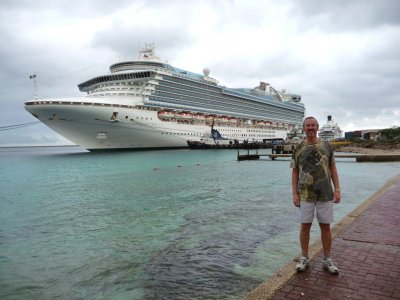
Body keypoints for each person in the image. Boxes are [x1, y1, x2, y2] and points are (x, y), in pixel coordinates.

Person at [290, 116, 341, 274]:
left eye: (313, 125)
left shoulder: (326, 146)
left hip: (325, 193)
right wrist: (294, 193)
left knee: (325, 227)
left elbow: (332, 167)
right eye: (308, 126)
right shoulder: (298, 147)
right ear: (304, 128)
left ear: (317, 127)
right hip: (305, 194)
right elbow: (295, 171)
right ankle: (304, 257)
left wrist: (337, 189)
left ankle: (327, 259)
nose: (310, 128)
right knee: (305, 227)